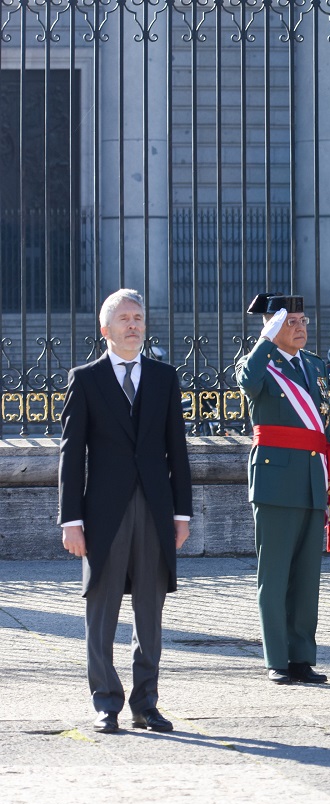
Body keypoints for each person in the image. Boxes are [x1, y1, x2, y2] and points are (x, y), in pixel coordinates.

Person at [58, 288, 192, 733]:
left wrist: (182, 513)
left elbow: (178, 449)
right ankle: (106, 702)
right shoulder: (87, 378)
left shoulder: (164, 377)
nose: (133, 325)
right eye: (124, 319)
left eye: (138, 317)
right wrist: (71, 520)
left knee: (150, 611)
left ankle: (146, 703)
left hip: (155, 510)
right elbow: (71, 454)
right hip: (104, 514)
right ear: (105, 329)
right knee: (102, 608)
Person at [236, 293, 330, 685]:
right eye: (290, 322)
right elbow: (248, 382)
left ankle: (302, 657)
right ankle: (276, 659)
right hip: (275, 478)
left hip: (313, 478)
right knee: (276, 571)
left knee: (306, 574)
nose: (300, 328)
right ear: (271, 327)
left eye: (302, 320)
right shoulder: (257, 364)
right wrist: (265, 342)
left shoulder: (314, 365)